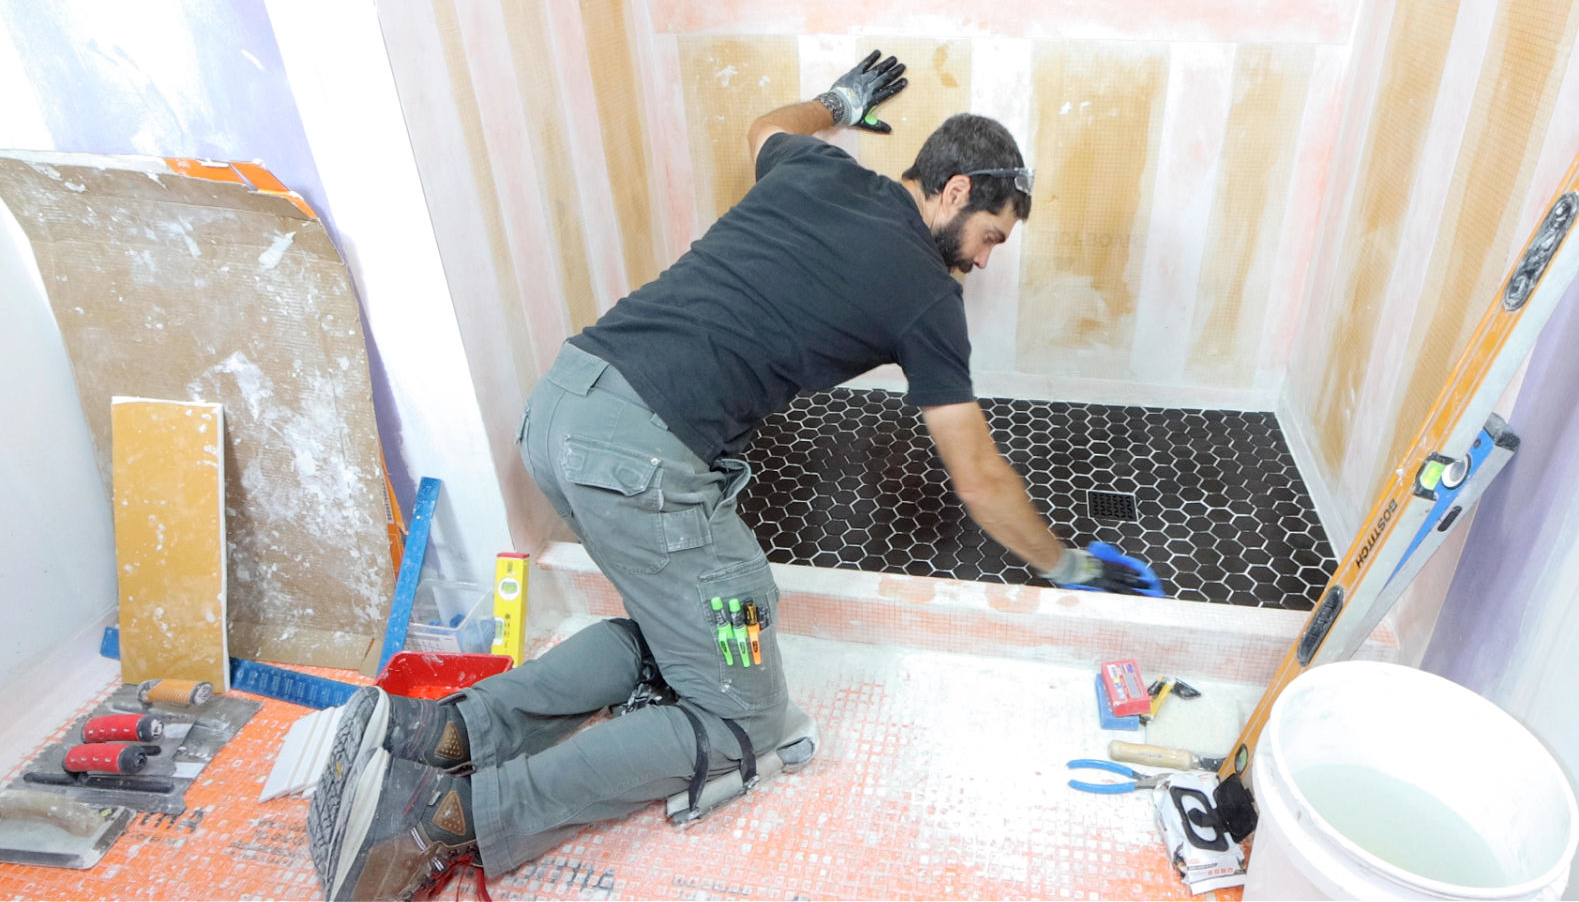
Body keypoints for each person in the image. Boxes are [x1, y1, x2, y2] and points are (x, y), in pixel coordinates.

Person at [306, 51, 1160, 901]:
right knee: (742, 713)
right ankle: (441, 814)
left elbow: (766, 128)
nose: (983, 261)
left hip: (562, 410)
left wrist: (837, 103)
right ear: (957, 188)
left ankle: (437, 730)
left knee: (691, 637)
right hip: (637, 460)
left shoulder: (817, 164)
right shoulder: (925, 295)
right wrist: (1069, 563)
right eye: (990, 236)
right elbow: (979, 477)